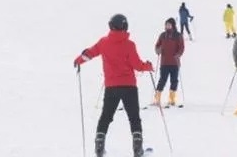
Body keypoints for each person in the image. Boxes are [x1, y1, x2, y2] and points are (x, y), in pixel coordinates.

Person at [73, 14, 153, 157]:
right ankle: (137, 148)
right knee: (134, 117)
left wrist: (79, 60)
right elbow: (137, 65)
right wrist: (148, 66)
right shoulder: (129, 45)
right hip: (129, 86)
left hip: (111, 87)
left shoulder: (103, 42)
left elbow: (90, 53)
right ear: (124, 26)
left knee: (106, 116)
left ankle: (99, 146)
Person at [153, 18, 184, 107]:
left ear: (173, 25)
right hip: (164, 62)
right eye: (166, 24)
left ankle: (171, 99)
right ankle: (157, 99)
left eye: (169, 24)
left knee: (174, 81)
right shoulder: (162, 35)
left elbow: (181, 47)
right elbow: (157, 45)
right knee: (162, 80)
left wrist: (178, 54)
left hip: (174, 62)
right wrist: (158, 50)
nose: (167, 26)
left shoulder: (178, 35)